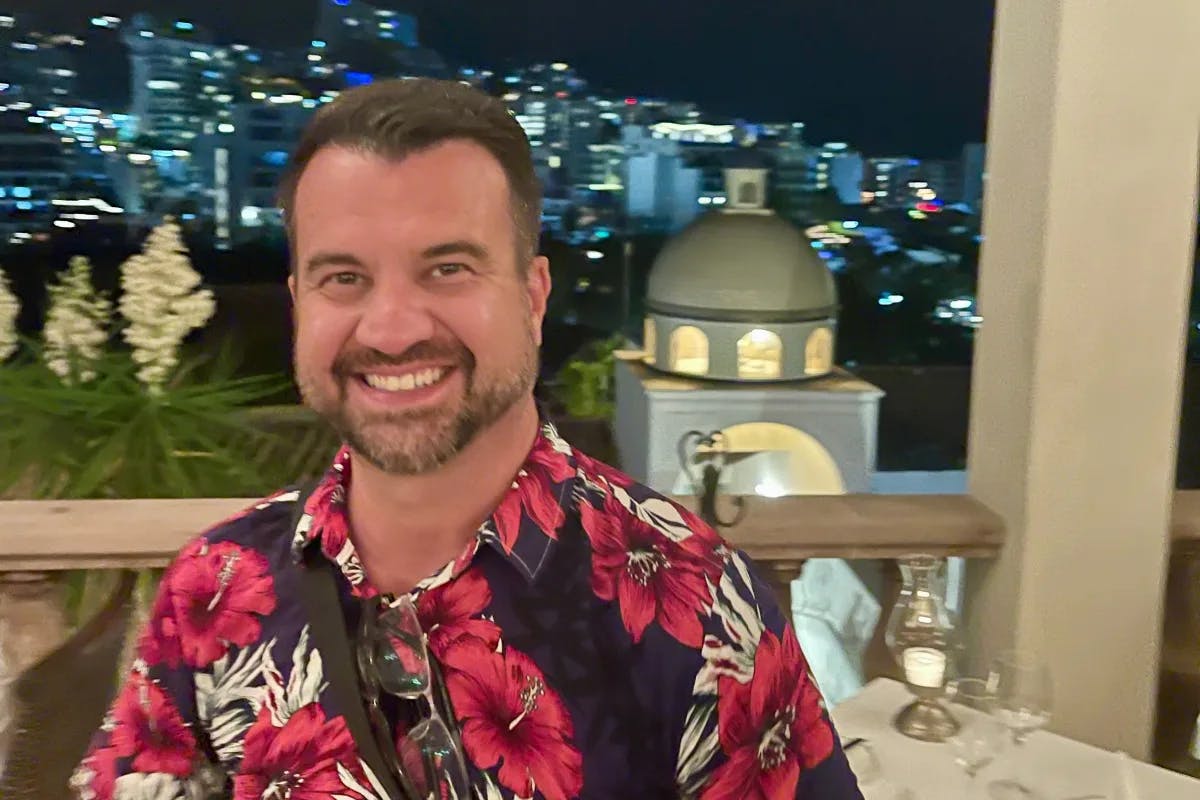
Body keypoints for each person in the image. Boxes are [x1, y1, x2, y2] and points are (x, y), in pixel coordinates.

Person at [73, 78, 862, 800]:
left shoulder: (698, 601)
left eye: (447, 268)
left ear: (533, 295)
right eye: (343, 278)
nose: (389, 330)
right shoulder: (212, 589)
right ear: (298, 303)